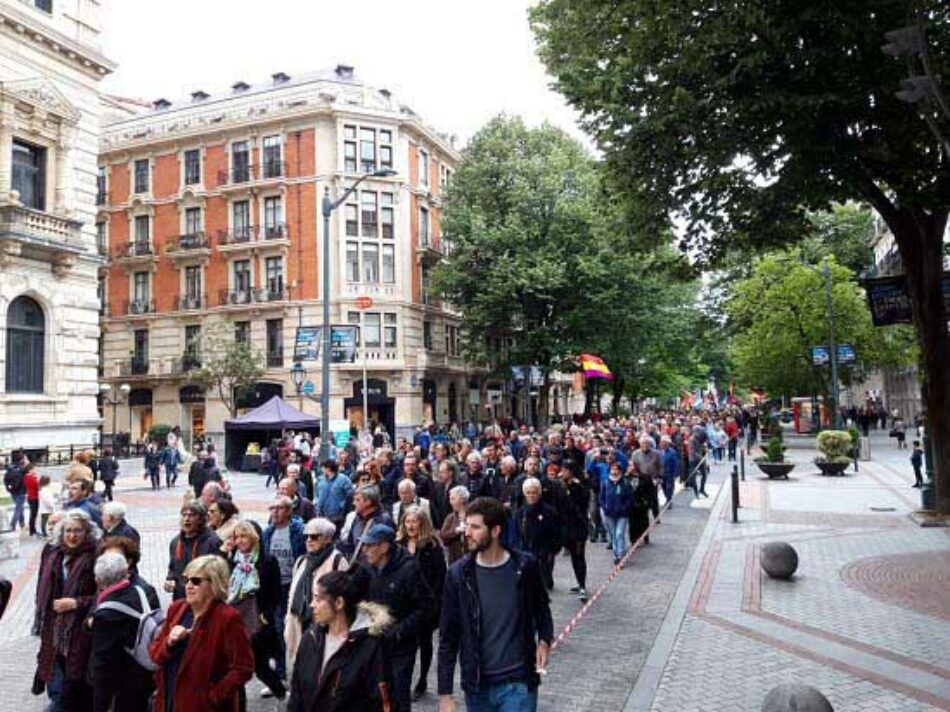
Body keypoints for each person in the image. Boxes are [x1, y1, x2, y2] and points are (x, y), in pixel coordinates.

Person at [438, 497, 553, 712]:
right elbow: (448, 636)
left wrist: (545, 641)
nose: (467, 532)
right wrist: (445, 694)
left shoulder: (525, 566)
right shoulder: (458, 575)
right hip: (478, 686)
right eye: (467, 526)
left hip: (518, 682)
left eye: (475, 527)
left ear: (495, 531)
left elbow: (542, 609)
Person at [149, 555, 254, 712]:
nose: (189, 586)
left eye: (196, 581)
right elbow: (155, 654)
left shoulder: (227, 618)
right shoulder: (177, 609)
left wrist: (212, 697)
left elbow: (243, 668)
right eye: (187, 580)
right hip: (170, 700)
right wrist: (169, 643)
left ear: (215, 584)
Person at [287, 566, 392, 712]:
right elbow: (296, 695)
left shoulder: (369, 647)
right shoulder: (310, 639)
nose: (312, 605)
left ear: (339, 603)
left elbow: (381, 703)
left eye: (318, 599)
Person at [32, 509, 100, 711]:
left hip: (80, 631)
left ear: (87, 532)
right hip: (54, 627)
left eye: (78, 531)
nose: (72, 536)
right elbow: (41, 584)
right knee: (54, 675)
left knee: (74, 684)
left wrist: (76, 603)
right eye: (68, 530)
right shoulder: (53, 552)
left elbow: (104, 594)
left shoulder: (95, 555)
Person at [363, 522, 435, 712]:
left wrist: (400, 631)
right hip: (374, 643)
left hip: (400, 645)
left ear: (385, 547)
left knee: (398, 695)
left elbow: (426, 607)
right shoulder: (368, 567)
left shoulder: (409, 569)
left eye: (370, 545)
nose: (365, 550)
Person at [88, 552, 155, 712]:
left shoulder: (106, 614)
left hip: (123, 685)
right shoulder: (141, 591)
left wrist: (100, 704)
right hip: (146, 675)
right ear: (126, 573)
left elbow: (103, 663)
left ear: (97, 580)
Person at [227, 520, 286, 702]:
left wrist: (266, 615)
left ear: (253, 537)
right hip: (236, 617)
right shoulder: (231, 560)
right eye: (237, 537)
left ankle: (281, 693)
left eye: (244, 536)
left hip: (257, 617)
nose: (240, 540)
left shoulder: (267, 561)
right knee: (235, 662)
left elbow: (276, 592)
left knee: (259, 664)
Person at [285, 517, 348, 679]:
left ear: (327, 538)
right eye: (307, 537)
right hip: (299, 623)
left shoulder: (337, 561)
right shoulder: (301, 561)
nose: (308, 541)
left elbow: (345, 597)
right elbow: (292, 594)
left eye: (314, 537)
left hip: (324, 625)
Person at [396, 505, 446, 701]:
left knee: (424, 643)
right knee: (404, 646)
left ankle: (422, 679)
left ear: (422, 523)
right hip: (402, 604)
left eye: (414, 521)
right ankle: (403, 682)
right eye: (407, 521)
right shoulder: (399, 544)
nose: (410, 525)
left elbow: (440, 578)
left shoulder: (432, 547)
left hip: (425, 605)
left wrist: (434, 605)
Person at [262, 495, 306, 683]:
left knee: (296, 626)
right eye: (272, 508)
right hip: (275, 586)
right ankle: (280, 672)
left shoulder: (298, 531)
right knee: (277, 627)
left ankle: (301, 669)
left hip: (293, 584)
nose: (274, 512)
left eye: (279, 508)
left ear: (289, 511)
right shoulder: (267, 532)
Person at [164, 502, 222, 600]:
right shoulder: (175, 542)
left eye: (192, 515)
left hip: (204, 599)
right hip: (181, 599)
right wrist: (170, 579)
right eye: (184, 515)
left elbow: (218, 575)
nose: (186, 519)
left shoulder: (212, 542)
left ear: (201, 519)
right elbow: (173, 568)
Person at [515, 478, 561, 591]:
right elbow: (518, 530)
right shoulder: (521, 512)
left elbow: (556, 531)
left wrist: (554, 548)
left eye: (534, 492)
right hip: (526, 548)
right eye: (528, 493)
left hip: (544, 548)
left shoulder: (549, 511)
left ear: (539, 493)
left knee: (543, 577)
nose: (531, 495)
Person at [558, 462, 590, 602]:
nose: (562, 473)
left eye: (565, 470)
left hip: (579, 524)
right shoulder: (560, 485)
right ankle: (579, 581)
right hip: (566, 525)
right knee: (572, 555)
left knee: (579, 555)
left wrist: (570, 490)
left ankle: (582, 585)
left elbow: (581, 504)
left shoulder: (580, 486)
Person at [337, 486, 393, 560]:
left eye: (357, 500)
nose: (353, 503)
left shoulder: (383, 521)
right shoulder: (357, 518)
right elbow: (350, 545)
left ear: (368, 502)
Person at [599, 462, 634, 565]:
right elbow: (601, 497)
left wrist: (624, 508)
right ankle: (616, 552)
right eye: (612, 469)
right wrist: (604, 507)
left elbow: (630, 498)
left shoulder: (625, 483)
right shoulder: (605, 482)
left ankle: (620, 554)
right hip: (609, 513)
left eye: (616, 469)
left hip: (622, 514)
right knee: (613, 534)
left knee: (619, 533)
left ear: (620, 471)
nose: (614, 471)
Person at [315, 459, 355, 532]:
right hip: (323, 515)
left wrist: (344, 508)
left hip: (339, 516)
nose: (321, 470)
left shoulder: (344, 480)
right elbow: (317, 494)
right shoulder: (320, 479)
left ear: (328, 468)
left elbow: (350, 496)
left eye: (323, 467)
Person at [439, 485, 470, 564]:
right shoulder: (450, 517)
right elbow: (442, 535)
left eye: (453, 499)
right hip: (455, 559)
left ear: (462, 500)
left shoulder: (472, 516)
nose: (450, 502)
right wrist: (456, 531)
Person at [4, 451, 27, 532]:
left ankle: (22, 524)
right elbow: (31, 467)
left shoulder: (10, 468)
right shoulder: (23, 469)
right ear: (21, 459)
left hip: (13, 491)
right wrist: (26, 460)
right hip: (21, 492)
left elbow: (5, 479)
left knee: (20, 508)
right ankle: (12, 525)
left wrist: (8, 488)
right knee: (18, 508)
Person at [659, 435, 680, 507]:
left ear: (667, 443)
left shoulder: (672, 452)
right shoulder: (660, 451)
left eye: (663, 442)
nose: (661, 444)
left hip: (669, 474)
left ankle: (668, 501)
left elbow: (676, 463)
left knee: (669, 487)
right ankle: (668, 498)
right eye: (661, 442)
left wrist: (676, 474)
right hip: (662, 473)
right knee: (663, 487)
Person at [24, 460, 40, 537]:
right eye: (34, 469)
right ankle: (32, 530)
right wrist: (37, 479)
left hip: (31, 497)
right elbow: (37, 487)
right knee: (33, 514)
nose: (35, 470)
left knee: (33, 514)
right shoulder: (31, 478)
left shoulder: (27, 477)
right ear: (30, 470)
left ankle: (32, 529)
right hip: (34, 497)